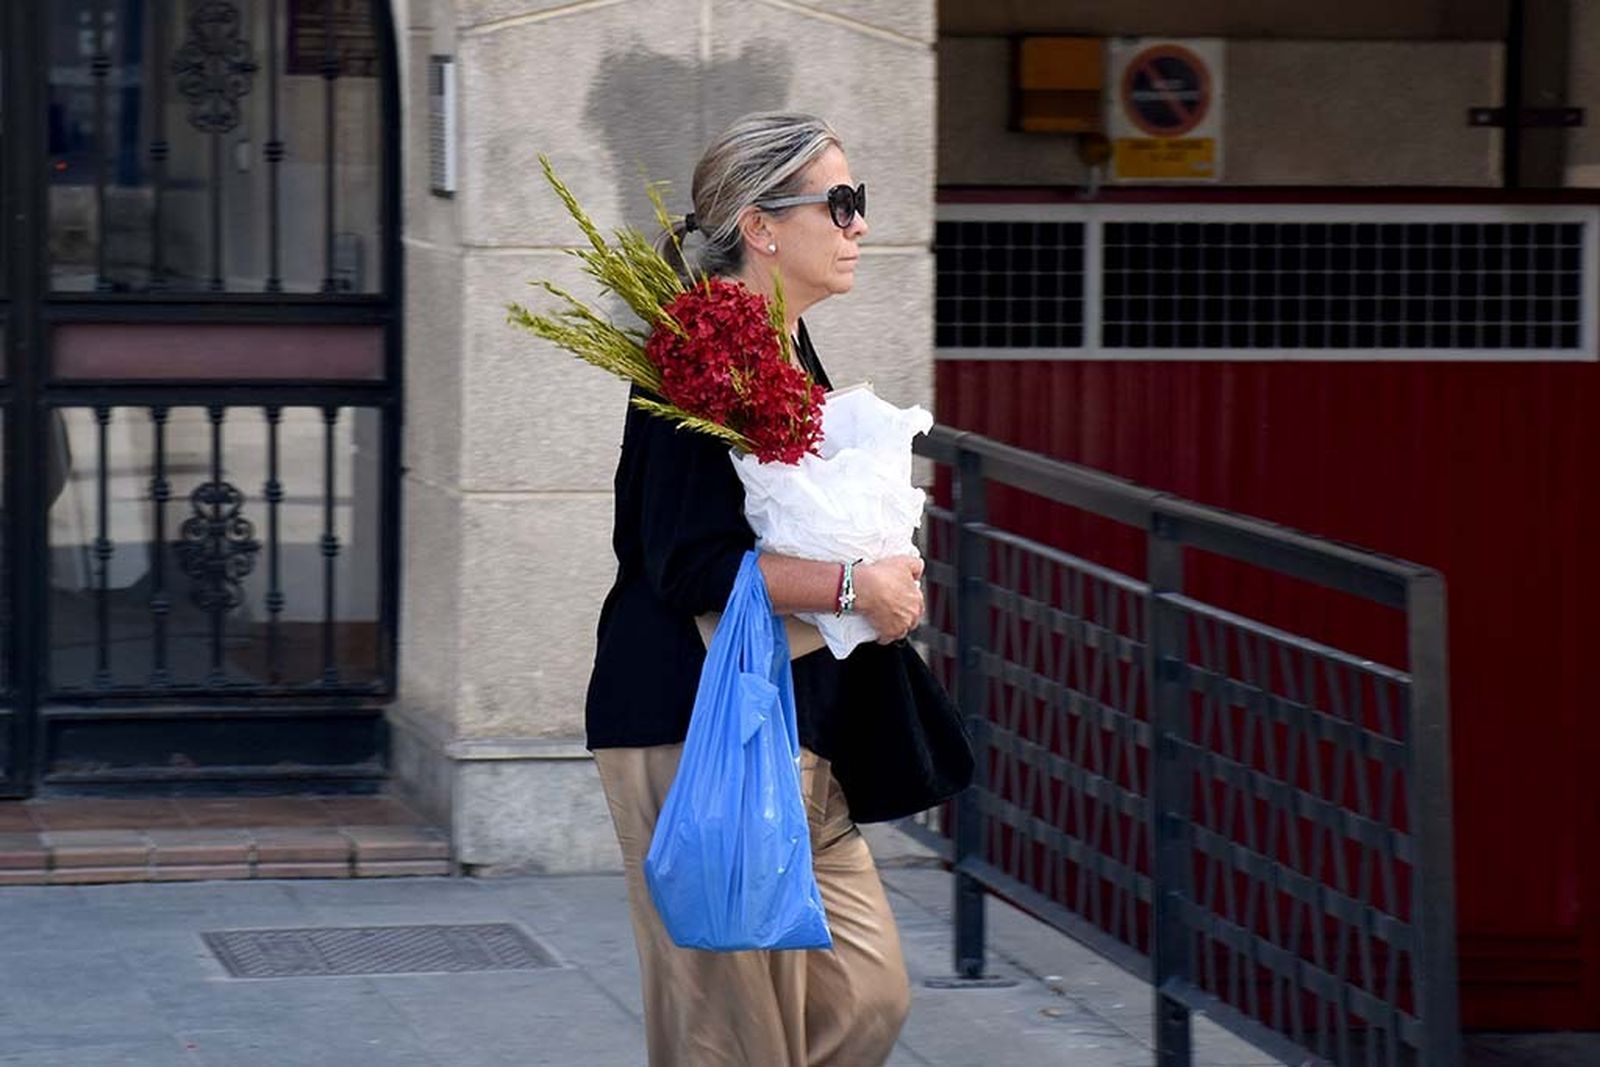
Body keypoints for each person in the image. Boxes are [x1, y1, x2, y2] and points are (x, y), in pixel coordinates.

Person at [586, 112, 923, 1066]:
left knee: (865, 995)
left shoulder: (787, 344)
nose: (859, 224)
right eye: (842, 203)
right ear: (763, 225)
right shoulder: (698, 353)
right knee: (728, 1038)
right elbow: (687, 563)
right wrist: (859, 583)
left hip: (792, 718)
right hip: (697, 724)